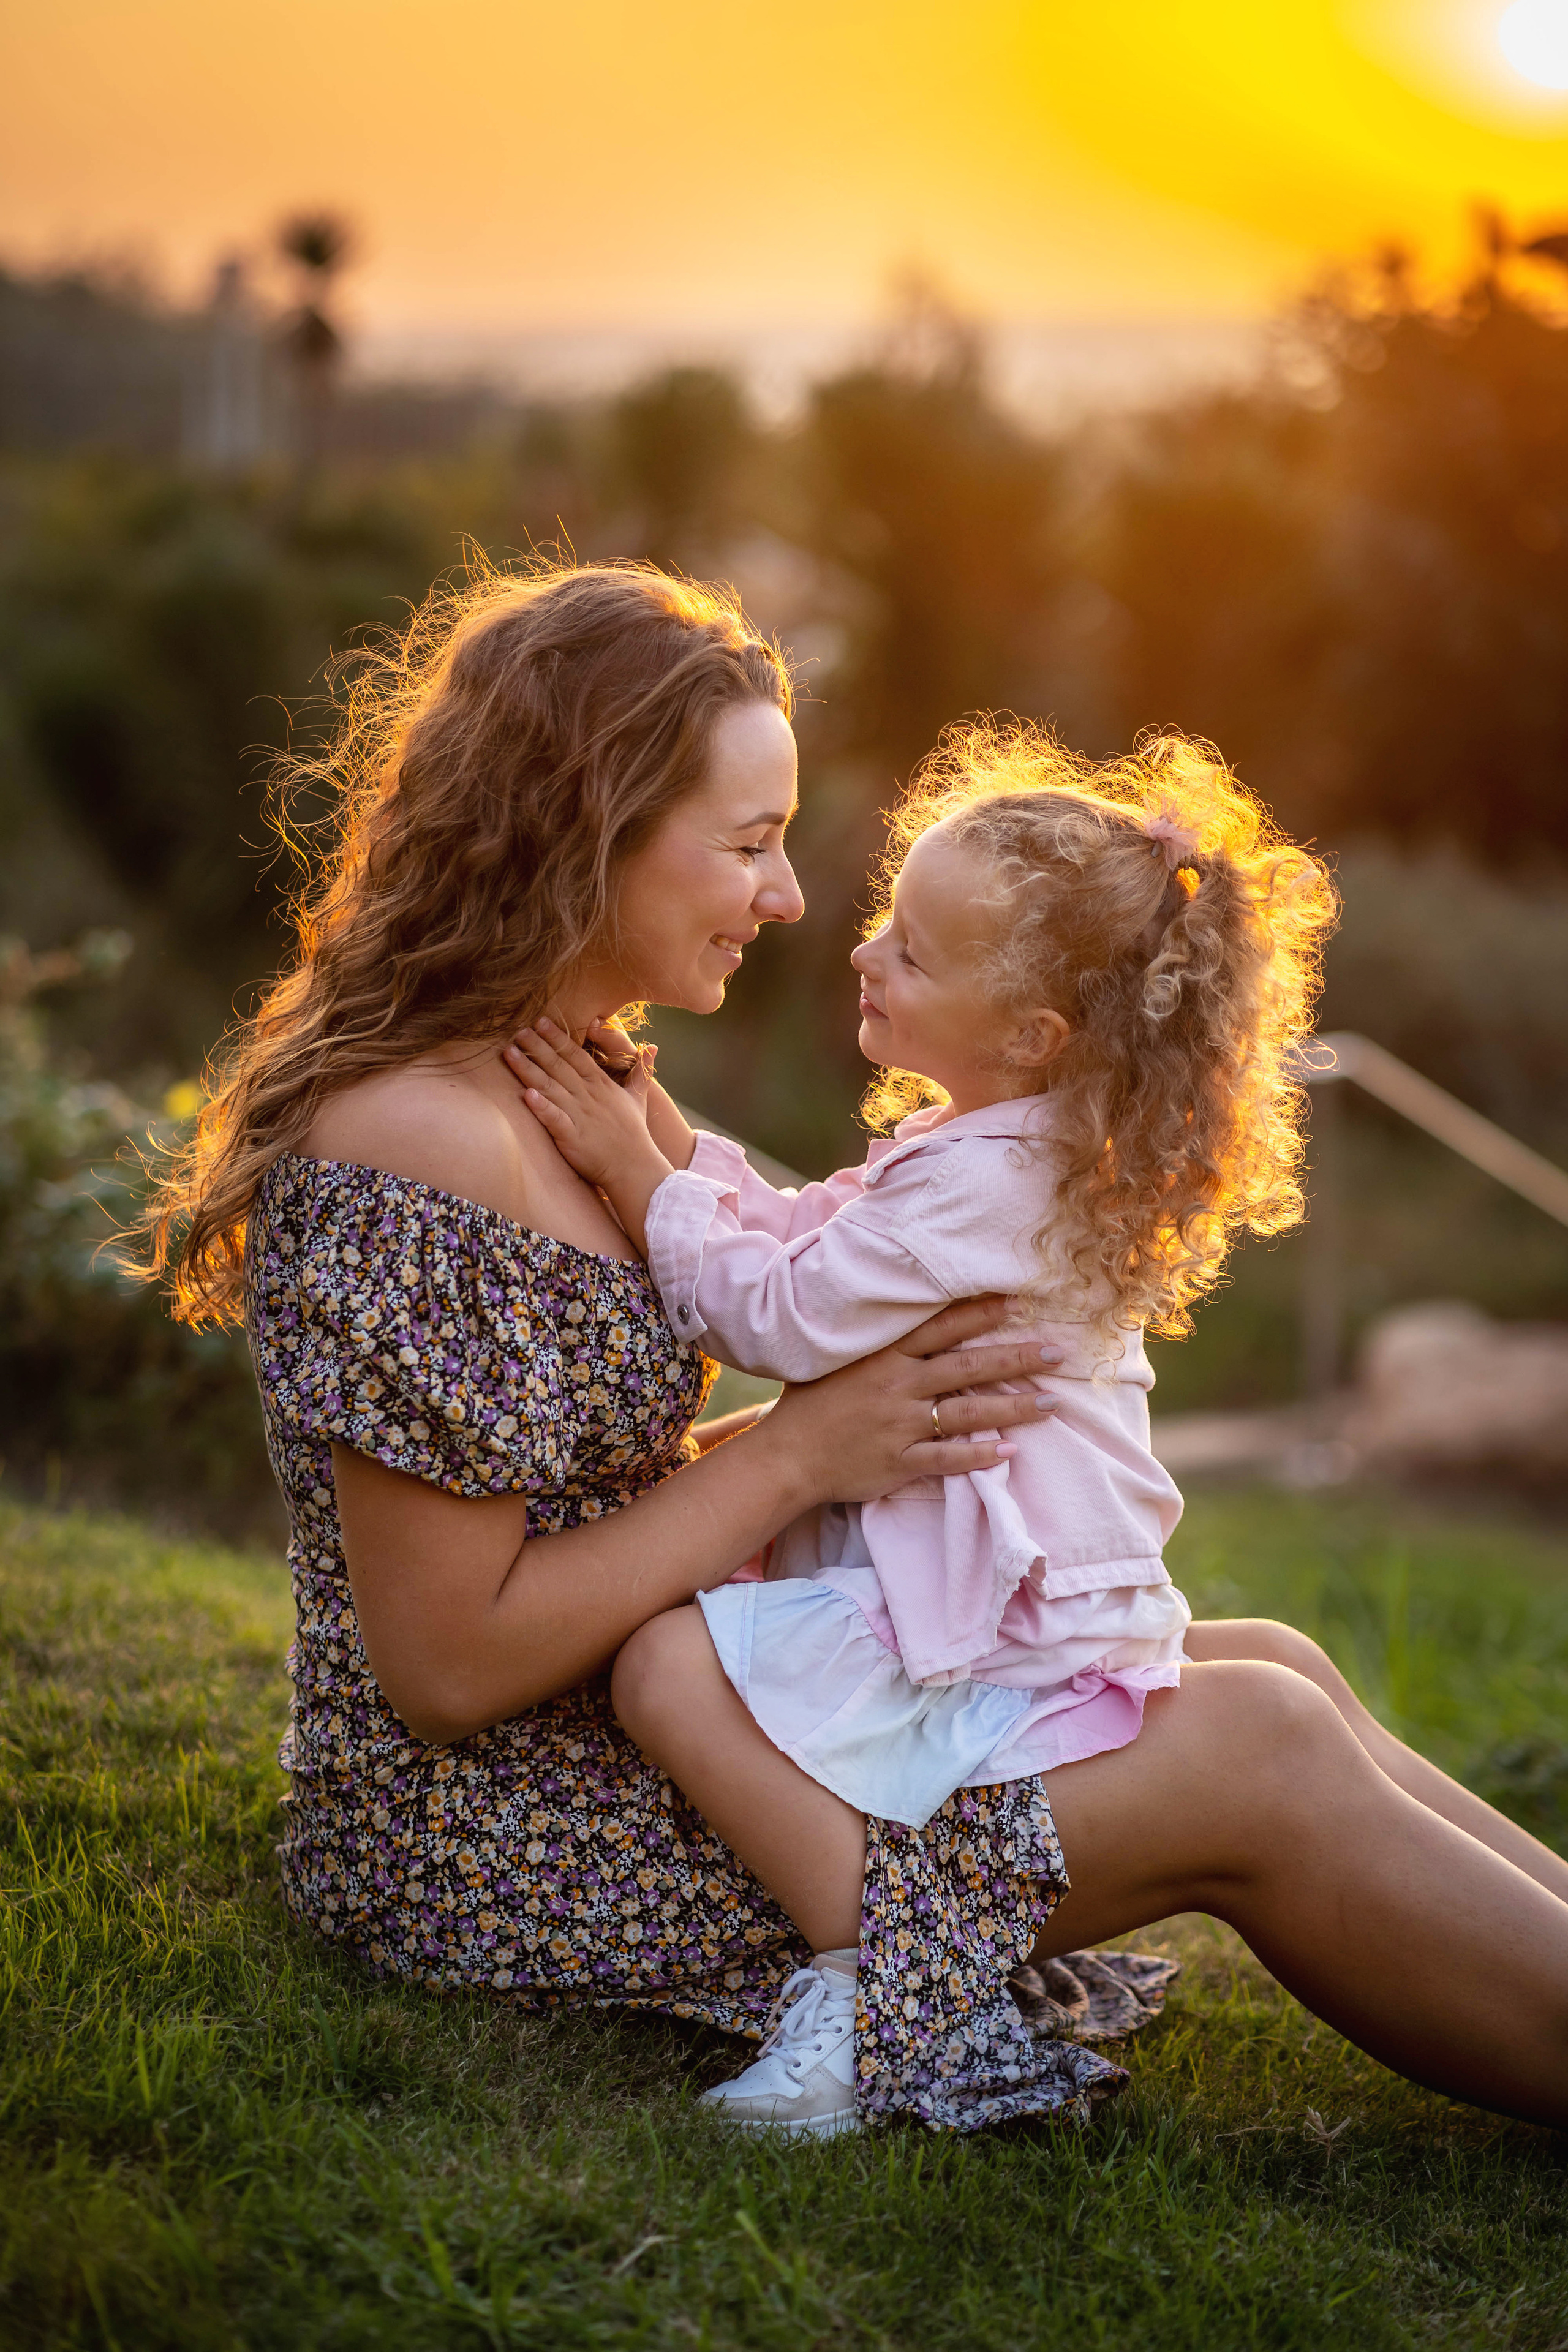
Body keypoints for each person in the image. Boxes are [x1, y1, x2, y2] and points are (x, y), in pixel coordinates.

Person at [141, 559, 1568, 2146]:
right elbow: (449, 1665)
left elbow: (581, 1484)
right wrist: (807, 1453)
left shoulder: (575, 1091)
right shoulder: (419, 1138)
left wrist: (802, 1440)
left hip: (677, 1735)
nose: (794, 900)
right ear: (585, 824)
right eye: (752, 845)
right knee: (1263, 1751)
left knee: (1274, 1672)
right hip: (514, 1838)